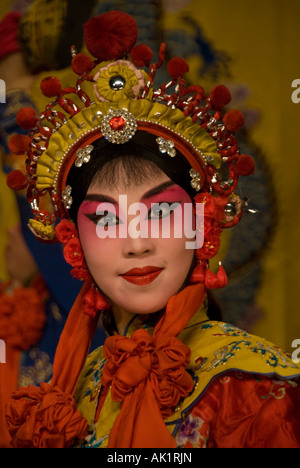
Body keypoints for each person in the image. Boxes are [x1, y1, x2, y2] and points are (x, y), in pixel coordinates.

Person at [4, 11, 300, 448]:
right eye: (104, 219)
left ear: (202, 223)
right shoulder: (72, 389)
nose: (137, 244)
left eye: (160, 213)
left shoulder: (256, 390)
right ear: (72, 243)